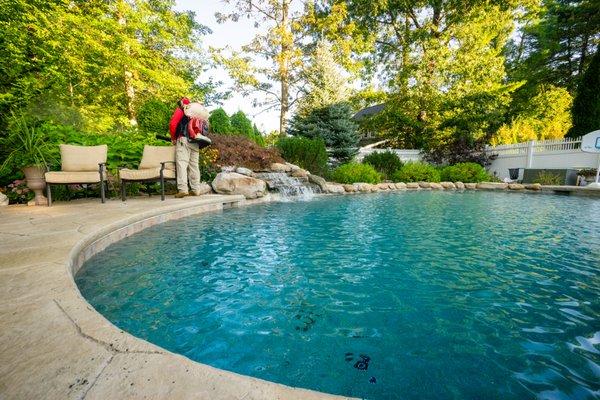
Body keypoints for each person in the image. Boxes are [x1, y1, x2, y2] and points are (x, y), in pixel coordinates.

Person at [169, 97, 202, 198]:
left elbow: (173, 124)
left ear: (182, 103)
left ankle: (183, 190)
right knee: (194, 166)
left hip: (183, 139)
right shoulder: (196, 113)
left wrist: (173, 138)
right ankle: (196, 189)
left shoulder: (181, 110)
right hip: (196, 141)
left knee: (182, 164)